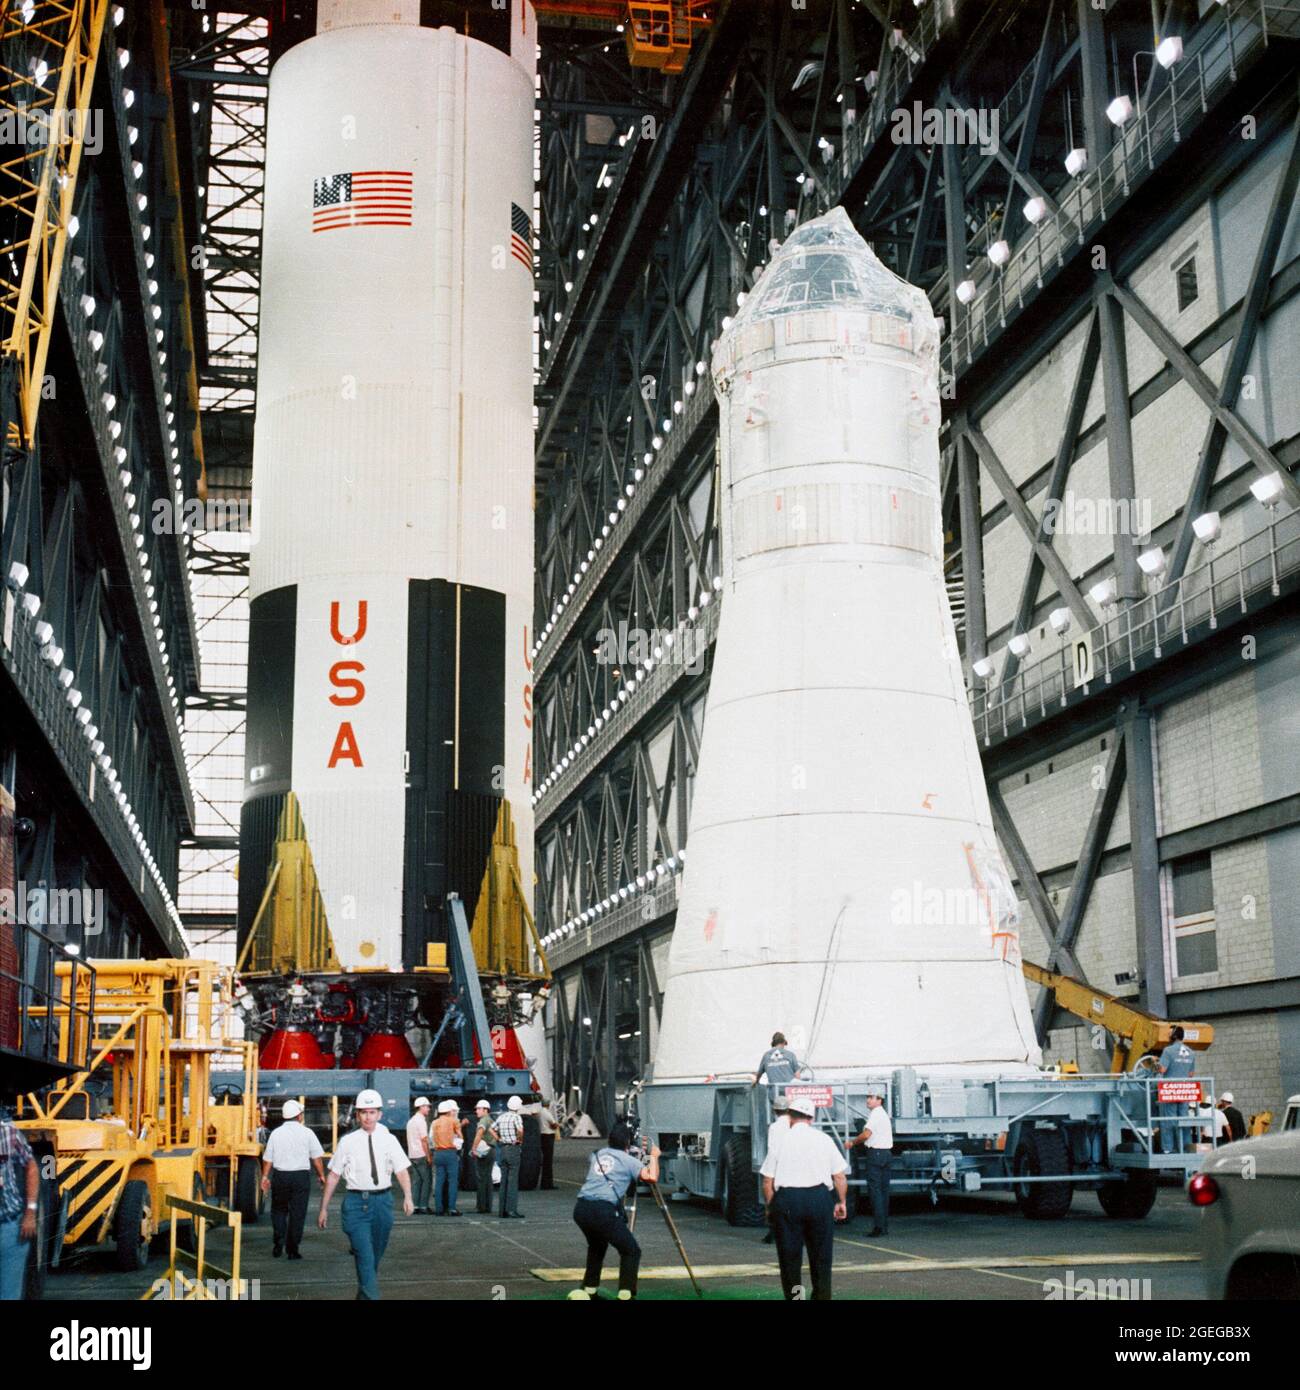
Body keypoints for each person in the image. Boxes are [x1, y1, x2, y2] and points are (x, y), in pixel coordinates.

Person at [318, 1089, 413, 1300]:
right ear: (357, 1115)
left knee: (373, 1260)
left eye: (372, 1112)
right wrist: (323, 1208)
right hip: (355, 1206)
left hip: (383, 1204)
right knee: (365, 1257)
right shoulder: (348, 1142)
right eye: (363, 1112)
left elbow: (402, 1170)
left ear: (379, 1114)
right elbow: (333, 1176)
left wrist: (408, 1196)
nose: (368, 1117)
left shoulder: (389, 1140)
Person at [760, 1093, 848, 1301]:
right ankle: (821, 1296)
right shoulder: (824, 1139)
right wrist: (841, 1202)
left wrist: (770, 1207)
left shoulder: (781, 1141)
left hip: (788, 1201)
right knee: (821, 1257)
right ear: (812, 1118)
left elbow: (767, 1181)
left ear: (790, 1117)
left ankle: (796, 1298)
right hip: (818, 1199)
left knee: (790, 1259)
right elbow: (839, 1176)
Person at [567, 1123, 660, 1301]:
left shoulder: (597, 1155)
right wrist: (654, 1156)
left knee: (597, 1246)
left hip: (582, 1208)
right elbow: (651, 1177)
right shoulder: (629, 1161)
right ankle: (626, 1295)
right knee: (631, 1250)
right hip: (603, 1210)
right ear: (628, 1143)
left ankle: (590, 1290)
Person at [260, 1099, 325, 1258]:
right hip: (300, 1178)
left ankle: (278, 1243)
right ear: (299, 1116)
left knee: (278, 1210)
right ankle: (292, 1249)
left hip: (281, 1176)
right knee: (298, 1213)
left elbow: (268, 1158)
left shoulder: (276, 1133)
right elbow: (316, 1158)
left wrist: (264, 1177)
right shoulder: (307, 1133)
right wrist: (321, 1175)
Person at [846, 1088, 893, 1236]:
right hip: (886, 1153)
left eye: (871, 1097)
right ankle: (883, 1226)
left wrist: (852, 1143)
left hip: (876, 1153)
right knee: (884, 1191)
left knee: (875, 1192)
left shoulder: (876, 1114)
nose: (868, 1100)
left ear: (879, 1100)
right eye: (868, 1097)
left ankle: (878, 1227)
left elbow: (866, 1134)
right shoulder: (882, 1114)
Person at [0, 1112, 37, 1301]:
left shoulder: (8, 1133)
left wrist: (30, 1211)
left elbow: (32, 1165)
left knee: (8, 1295)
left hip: (8, 1229)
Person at [1156, 1026, 1196, 1153]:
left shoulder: (1168, 1051)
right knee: (1184, 1119)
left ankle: (1168, 1148)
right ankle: (1185, 1147)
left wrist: (1155, 1063)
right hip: (1185, 1090)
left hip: (1170, 1090)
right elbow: (1190, 1075)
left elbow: (1162, 1070)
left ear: (1173, 1036)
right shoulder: (1191, 1052)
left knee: (1168, 1120)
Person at [761, 1092, 791, 1245]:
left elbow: (772, 1148)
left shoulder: (774, 1127)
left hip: (778, 1164)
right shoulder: (793, 1124)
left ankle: (773, 1231)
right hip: (794, 1164)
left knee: (775, 1199)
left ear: (775, 1111)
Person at [491, 1095, 526, 1219]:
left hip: (502, 1149)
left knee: (503, 1181)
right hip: (512, 1149)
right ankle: (511, 1210)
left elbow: (491, 1129)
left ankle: (502, 1211)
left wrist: (499, 1139)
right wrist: (519, 1140)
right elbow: (520, 1131)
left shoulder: (502, 1117)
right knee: (512, 1182)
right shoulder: (516, 1117)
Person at [431, 1100, 464, 1216]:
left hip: (438, 1153)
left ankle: (439, 1209)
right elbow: (460, 1136)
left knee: (439, 1182)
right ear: (449, 1111)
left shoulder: (434, 1123)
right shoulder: (453, 1121)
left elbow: (431, 1139)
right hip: (450, 1153)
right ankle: (451, 1208)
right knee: (452, 1182)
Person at [405, 1097, 433, 1214]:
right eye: (427, 1106)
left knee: (416, 1181)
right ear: (421, 1107)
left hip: (412, 1155)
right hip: (421, 1154)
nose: (429, 1109)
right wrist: (429, 1156)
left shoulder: (411, 1121)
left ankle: (415, 1205)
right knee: (427, 1180)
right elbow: (424, 1140)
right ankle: (423, 1206)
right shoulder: (421, 1121)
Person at [471, 1100, 496, 1213]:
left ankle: (481, 1207)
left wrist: (474, 1148)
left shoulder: (483, 1121)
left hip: (484, 1152)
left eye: (478, 1109)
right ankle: (487, 1206)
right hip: (491, 1150)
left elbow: (479, 1134)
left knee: (481, 1179)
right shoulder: (491, 1120)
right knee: (488, 1178)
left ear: (485, 1110)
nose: (476, 1111)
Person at [537, 1097, 560, 1190]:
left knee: (545, 1160)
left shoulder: (539, 1113)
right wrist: (557, 1126)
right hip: (548, 1135)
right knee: (548, 1161)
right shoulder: (547, 1113)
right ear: (548, 1104)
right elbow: (554, 1125)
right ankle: (547, 1183)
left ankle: (544, 1182)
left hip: (541, 1135)